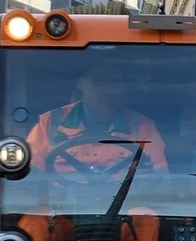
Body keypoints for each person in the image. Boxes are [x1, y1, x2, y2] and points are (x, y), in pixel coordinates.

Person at [25, 65, 167, 172]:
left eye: (115, 83)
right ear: (81, 84)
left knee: (144, 211)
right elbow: (30, 173)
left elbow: (161, 177)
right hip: (60, 206)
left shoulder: (142, 126)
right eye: (100, 81)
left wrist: (150, 178)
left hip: (124, 205)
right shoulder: (50, 122)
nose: (109, 89)